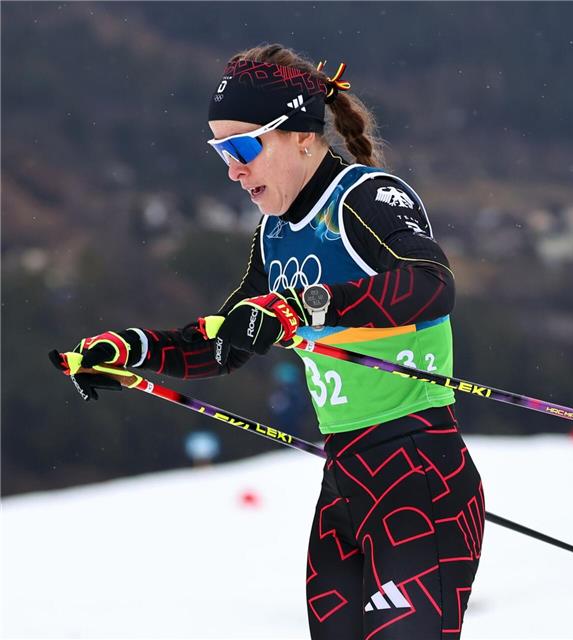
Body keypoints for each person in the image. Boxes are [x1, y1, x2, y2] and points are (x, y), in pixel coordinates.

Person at [50, 43, 484, 639]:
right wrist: (131, 351)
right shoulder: (274, 236)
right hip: (346, 481)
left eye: (243, 146)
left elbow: (431, 285)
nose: (232, 167)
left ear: (301, 135)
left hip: (419, 467)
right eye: (220, 150)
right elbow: (226, 342)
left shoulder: (366, 198)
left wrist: (304, 306)